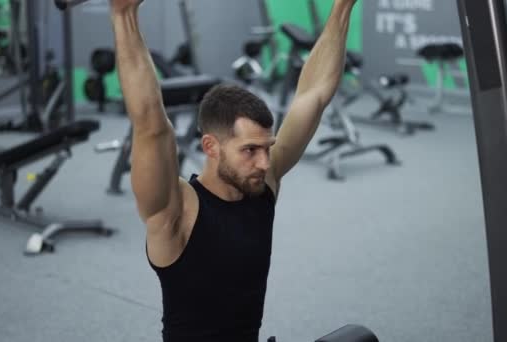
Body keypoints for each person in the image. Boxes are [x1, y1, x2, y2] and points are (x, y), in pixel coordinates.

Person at [110, 0, 359, 341]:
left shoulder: (261, 185)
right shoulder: (176, 212)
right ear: (211, 147)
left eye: (267, 148)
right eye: (250, 151)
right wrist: (124, 15)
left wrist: (343, 7)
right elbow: (151, 124)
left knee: (357, 337)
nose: (265, 163)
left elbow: (313, 95)